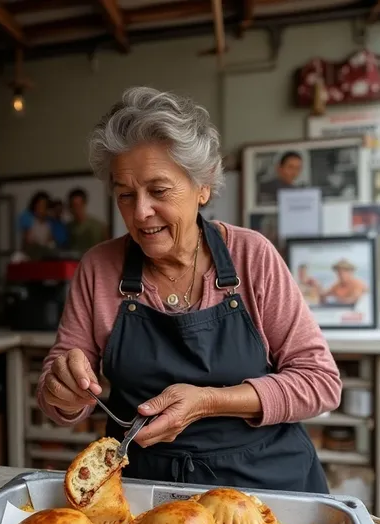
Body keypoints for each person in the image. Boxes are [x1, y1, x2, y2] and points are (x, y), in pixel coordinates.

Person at [37, 87, 341, 493]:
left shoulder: (252, 256)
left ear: (203, 188)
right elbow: (56, 389)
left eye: (158, 191)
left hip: (264, 482)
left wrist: (210, 401)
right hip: (144, 486)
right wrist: (65, 391)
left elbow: (320, 382)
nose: (140, 212)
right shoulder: (99, 266)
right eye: (125, 195)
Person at [67, 188, 107, 254]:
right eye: (73, 206)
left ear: (84, 204)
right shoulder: (68, 227)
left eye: (79, 205)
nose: (76, 209)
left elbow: (107, 249)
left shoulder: (98, 226)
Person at [18, 191, 55, 256]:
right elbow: (27, 243)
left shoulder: (49, 224)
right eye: (39, 206)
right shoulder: (29, 221)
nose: (41, 209)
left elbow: (50, 243)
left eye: (43, 206)